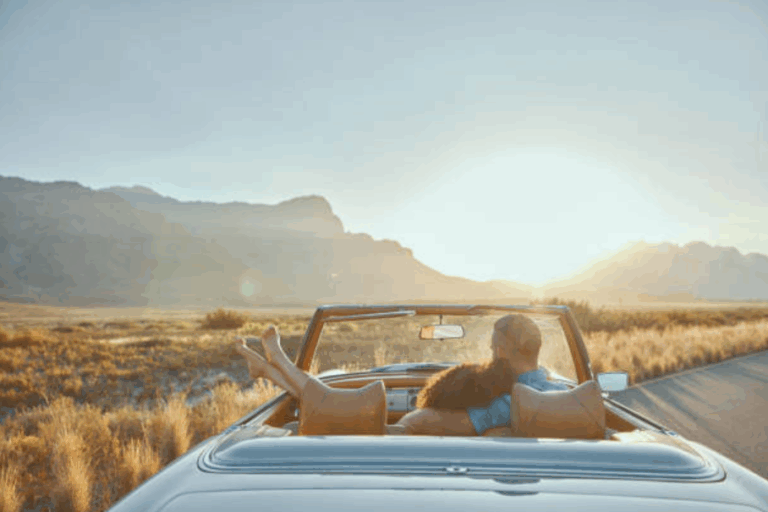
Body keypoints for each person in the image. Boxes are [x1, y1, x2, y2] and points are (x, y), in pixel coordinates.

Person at [396, 313, 568, 436]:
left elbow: (421, 422)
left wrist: (405, 423)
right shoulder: (565, 394)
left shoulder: (509, 404)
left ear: (500, 351)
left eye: (492, 348)